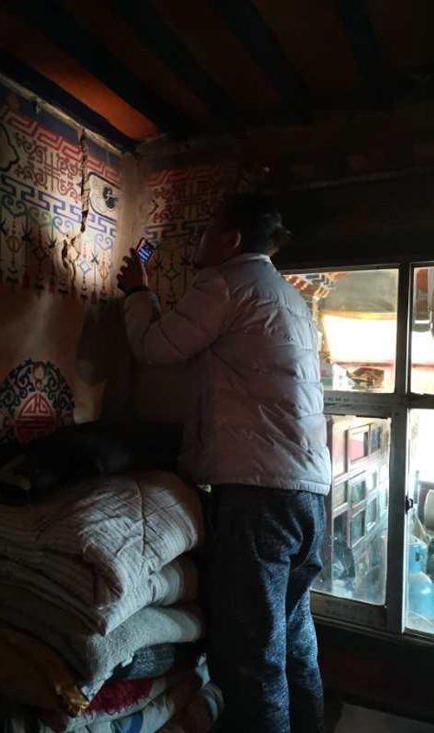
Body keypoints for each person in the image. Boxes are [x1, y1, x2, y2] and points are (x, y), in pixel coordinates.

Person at [117, 192, 331, 733]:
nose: (200, 241)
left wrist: (138, 293)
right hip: (309, 493)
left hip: (259, 495)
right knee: (294, 641)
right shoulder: (289, 297)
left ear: (230, 240)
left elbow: (155, 348)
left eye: (207, 231)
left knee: (252, 657)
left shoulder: (224, 283)